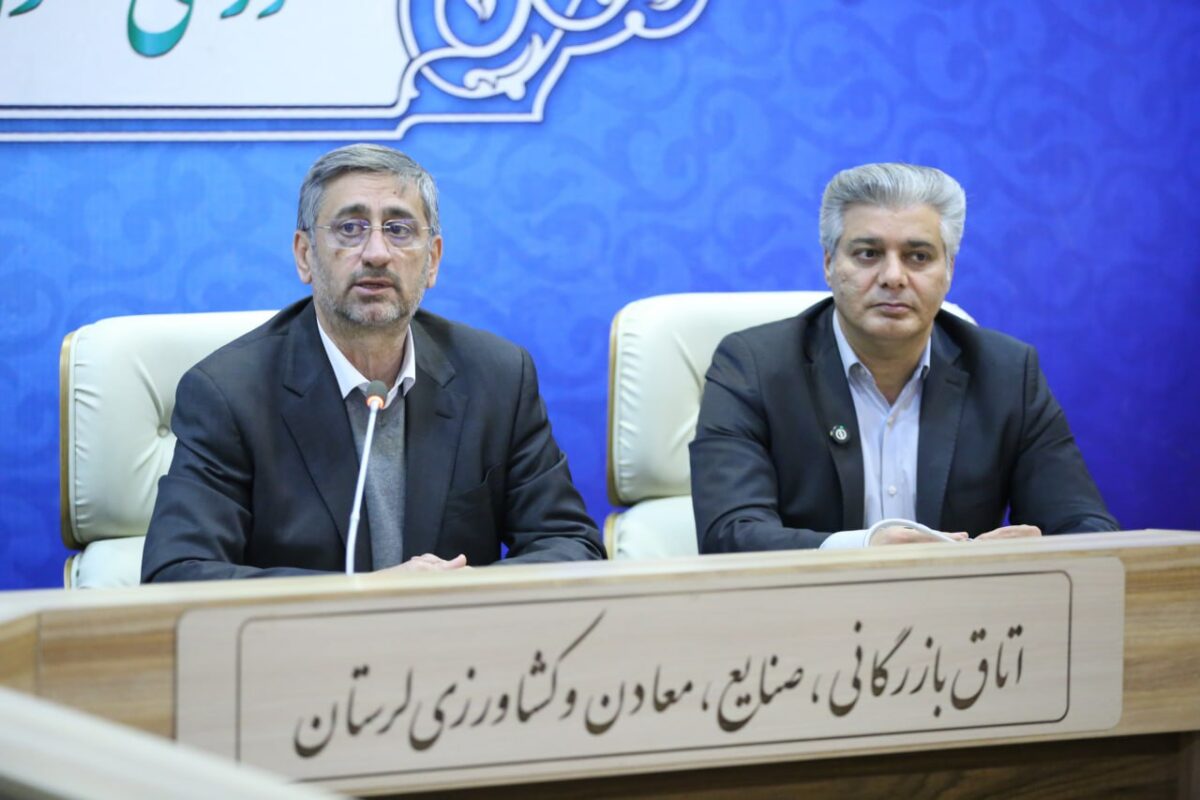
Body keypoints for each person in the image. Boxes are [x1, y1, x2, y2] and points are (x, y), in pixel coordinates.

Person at [142, 144, 603, 581]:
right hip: (309, 641)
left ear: (432, 261)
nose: (377, 253)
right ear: (305, 256)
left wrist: (460, 592)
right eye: (350, 228)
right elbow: (178, 572)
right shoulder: (230, 392)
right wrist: (367, 597)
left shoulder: (497, 377)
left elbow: (571, 545)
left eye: (399, 230)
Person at [690, 162, 1118, 552]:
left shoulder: (1006, 373)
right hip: (806, 607)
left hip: (958, 610)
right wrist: (861, 549)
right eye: (868, 254)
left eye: (918, 257)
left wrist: (1036, 549)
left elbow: (1090, 528)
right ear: (829, 264)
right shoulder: (753, 368)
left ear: (949, 269)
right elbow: (729, 534)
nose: (893, 277)